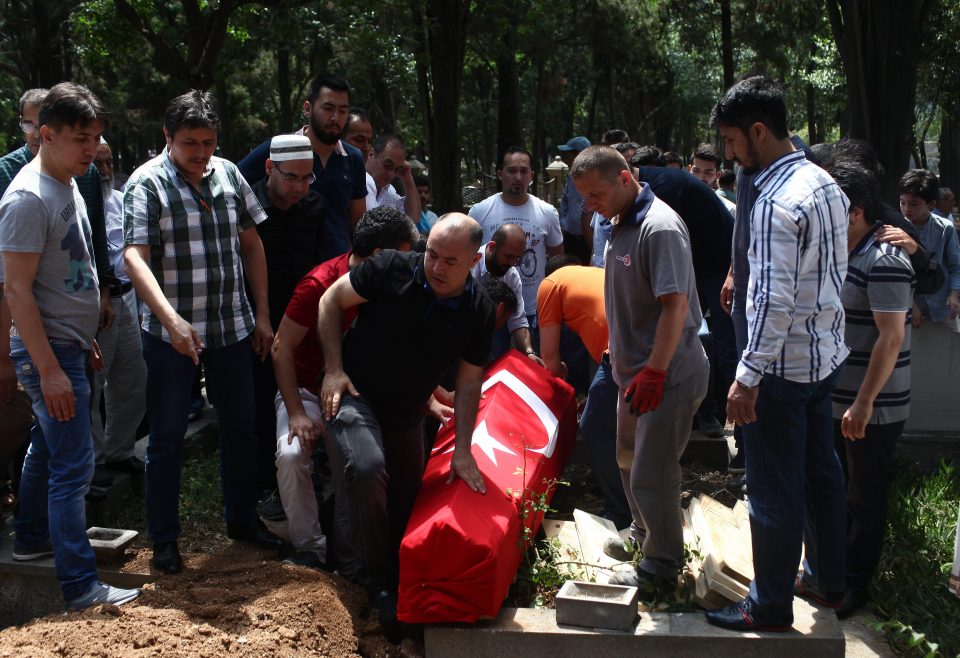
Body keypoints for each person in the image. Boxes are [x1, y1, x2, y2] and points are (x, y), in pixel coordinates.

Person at [706, 75, 849, 632]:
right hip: (820, 360)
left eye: (732, 141)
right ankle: (827, 580)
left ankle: (767, 606)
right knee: (821, 473)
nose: (729, 153)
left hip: (780, 371)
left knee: (771, 489)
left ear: (758, 131)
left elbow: (771, 299)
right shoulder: (823, 182)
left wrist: (747, 377)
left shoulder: (772, 199)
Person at [124, 90, 282, 575]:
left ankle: (240, 518)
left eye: (208, 141)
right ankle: (165, 541)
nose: (200, 152)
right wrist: (170, 320)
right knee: (168, 435)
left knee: (240, 426)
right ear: (167, 138)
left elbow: (252, 244)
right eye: (189, 142)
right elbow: (134, 257)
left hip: (231, 325)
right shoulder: (145, 184)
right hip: (170, 333)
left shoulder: (230, 173)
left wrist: (261, 314)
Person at [0, 81, 139, 609]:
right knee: (74, 466)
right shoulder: (28, 198)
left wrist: (84, 342)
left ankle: (33, 537)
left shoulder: (70, 184)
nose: (92, 149)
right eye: (82, 138)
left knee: (50, 449)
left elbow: (69, 274)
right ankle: (81, 587)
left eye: (97, 137)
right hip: (49, 352)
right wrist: (51, 368)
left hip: (69, 345)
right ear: (46, 135)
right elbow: (15, 290)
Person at [316, 214, 494, 625]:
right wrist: (333, 370)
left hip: (406, 412)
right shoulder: (390, 267)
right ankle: (365, 581)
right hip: (352, 393)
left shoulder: (478, 309)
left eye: (451, 261)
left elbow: (469, 384)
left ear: (475, 259)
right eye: (432, 254)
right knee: (365, 466)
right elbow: (330, 301)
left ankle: (401, 583)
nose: (436, 267)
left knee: (407, 504)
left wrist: (463, 451)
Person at [571, 146, 709, 598]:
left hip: (665, 375)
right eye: (584, 197)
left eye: (596, 193)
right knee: (629, 461)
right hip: (630, 373)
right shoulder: (618, 222)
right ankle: (642, 536)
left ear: (626, 178)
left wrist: (655, 371)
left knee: (654, 471)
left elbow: (675, 306)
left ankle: (661, 569)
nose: (591, 204)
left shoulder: (660, 227)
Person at [271, 206, 418, 569]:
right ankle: (310, 548)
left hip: (357, 393)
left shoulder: (395, 284)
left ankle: (357, 560)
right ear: (380, 257)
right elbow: (280, 348)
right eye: (404, 257)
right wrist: (295, 413)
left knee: (356, 467)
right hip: (306, 389)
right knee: (291, 455)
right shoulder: (318, 284)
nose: (409, 266)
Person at [824, 163, 915, 619]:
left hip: (870, 406)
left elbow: (891, 338)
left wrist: (863, 402)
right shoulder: (846, 250)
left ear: (855, 211)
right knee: (839, 491)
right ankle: (833, 574)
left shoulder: (885, 259)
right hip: (840, 399)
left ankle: (855, 587)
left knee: (864, 498)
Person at [247, 134, 326, 490]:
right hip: (259, 321)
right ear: (269, 168)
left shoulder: (316, 206)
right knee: (261, 404)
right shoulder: (246, 206)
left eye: (306, 178)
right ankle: (266, 483)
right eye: (291, 177)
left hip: (304, 323)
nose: (299, 187)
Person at [538, 258, 631, 530]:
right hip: (637, 344)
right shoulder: (593, 274)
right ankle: (622, 490)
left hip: (619, 352)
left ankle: (619, 510)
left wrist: (559, 405)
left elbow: (550, 359)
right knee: (617, 425)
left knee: (592, 426)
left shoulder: (549, 285)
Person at [238, 74, 366, 261]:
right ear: (308, 108)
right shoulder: (276, 149)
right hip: (285, 273)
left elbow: (358, 224)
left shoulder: (353, 158)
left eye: (343, 111)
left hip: (338, 273)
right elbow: (231, 188)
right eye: (328, 108)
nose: (335, 117)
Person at [89, 138, 147, 485]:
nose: (106, 171)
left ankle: (119, 451)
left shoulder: (121, 200)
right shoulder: (80, 203)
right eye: (99, 164)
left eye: (109, 162)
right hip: (97, 303)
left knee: (132, 380)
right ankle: (94, 464)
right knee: (93, 383)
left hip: (128, 299)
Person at [468, 146, 564, 338]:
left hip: (534, 308)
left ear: (532, 175)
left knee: (531, 363)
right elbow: (467, 258)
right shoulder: (479, 212)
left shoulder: (547, 212)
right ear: (500, 174)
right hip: (490, 309)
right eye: (512, 171)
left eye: (524, 171)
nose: (518, 177)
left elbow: (558, 260)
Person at [899, 169, 960, 329]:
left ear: (931, 204)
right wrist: (911, 303)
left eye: (913, 204)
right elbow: (898, 274)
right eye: (902, 202)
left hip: (941, 305)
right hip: (908, 306)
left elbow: (955, 265)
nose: (906, 209)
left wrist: (954, 294)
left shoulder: (946, 228)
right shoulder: (897, 229)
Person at [469, 223, 539, 361]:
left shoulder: (512, 276)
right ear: (492, 247)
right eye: (509, 256)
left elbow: (518, 320)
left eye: (517, 258)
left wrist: (529, 352)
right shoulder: (468, 264)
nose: (513, 263)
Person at [364, 135, 420, 221]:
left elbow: (414, 218)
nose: (391, 174)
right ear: (371, 154)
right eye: (387, 165)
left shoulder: (390, 191)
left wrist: (408, 179)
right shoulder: (356, 181)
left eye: (398, 169)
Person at [557, 136, 592, 264]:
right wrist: (563, 224)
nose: (565, 157)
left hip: (588, 239)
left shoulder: (595, 178)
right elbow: (565, 201)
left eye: (568, 153)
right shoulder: (571, 177)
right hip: (570, 237)